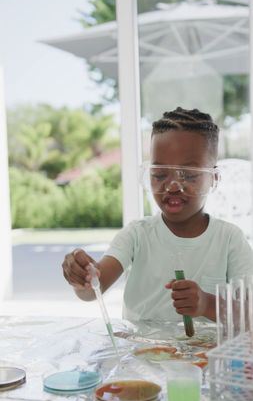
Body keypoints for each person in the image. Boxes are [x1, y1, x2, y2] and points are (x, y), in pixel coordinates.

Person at [62, 107, 253, 324]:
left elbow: (249, 314)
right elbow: (93, 289)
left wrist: (207, 304)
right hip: (143, 356)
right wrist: (83, 277)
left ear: (214, 179)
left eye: (188, 176)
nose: (172, 186)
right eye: (159, 174)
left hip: (204, 357)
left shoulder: (229, 240)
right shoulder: (137, 235)